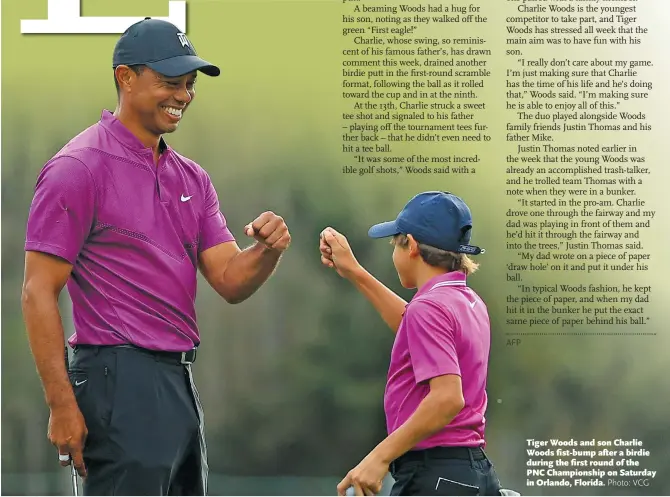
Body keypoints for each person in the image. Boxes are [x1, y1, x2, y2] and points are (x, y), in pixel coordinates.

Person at [21, 18, 290, 495]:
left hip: (179, 381)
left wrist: (265, 252)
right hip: (116, 382)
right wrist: (61, 405)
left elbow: (229, 279)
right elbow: (38, 291)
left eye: (189, 85)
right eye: (170, 83)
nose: (183, 96)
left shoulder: (192, 178)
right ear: (126, 78)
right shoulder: (77, 168)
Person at [320, 191, 502, 496]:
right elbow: (411, 326)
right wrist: (354, 271)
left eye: (395, 244)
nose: (395, 254)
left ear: (412, 246)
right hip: (474, 473)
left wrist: (378, 457)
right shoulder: (466, 300)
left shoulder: (429, 307)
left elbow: (447, 399)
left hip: (436, 475)